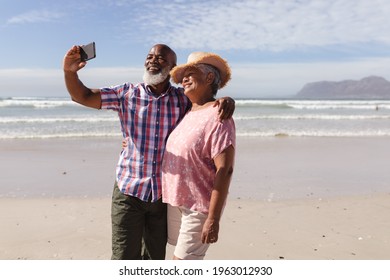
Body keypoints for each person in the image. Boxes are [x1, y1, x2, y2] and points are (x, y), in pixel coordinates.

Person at [62, 44, 235, 260]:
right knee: (124, 259)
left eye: (161, 59)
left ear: (172, 68)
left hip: (162, 197)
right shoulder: (126, 93)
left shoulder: (182, 99)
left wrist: (225, 100)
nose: (153, 60)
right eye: (149, 56)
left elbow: (204, 105)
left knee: (154, 260)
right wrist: (69, 72)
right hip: (129, 192)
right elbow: (83, 96)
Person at [162, 51, 236, 260]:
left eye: (190, 73)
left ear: (209, 78)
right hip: (176, 201)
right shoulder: (188, 111)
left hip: (199, 207)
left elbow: (225, 169)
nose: (184, 79)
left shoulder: (219, 115)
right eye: (182, 74)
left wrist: (213, 219)